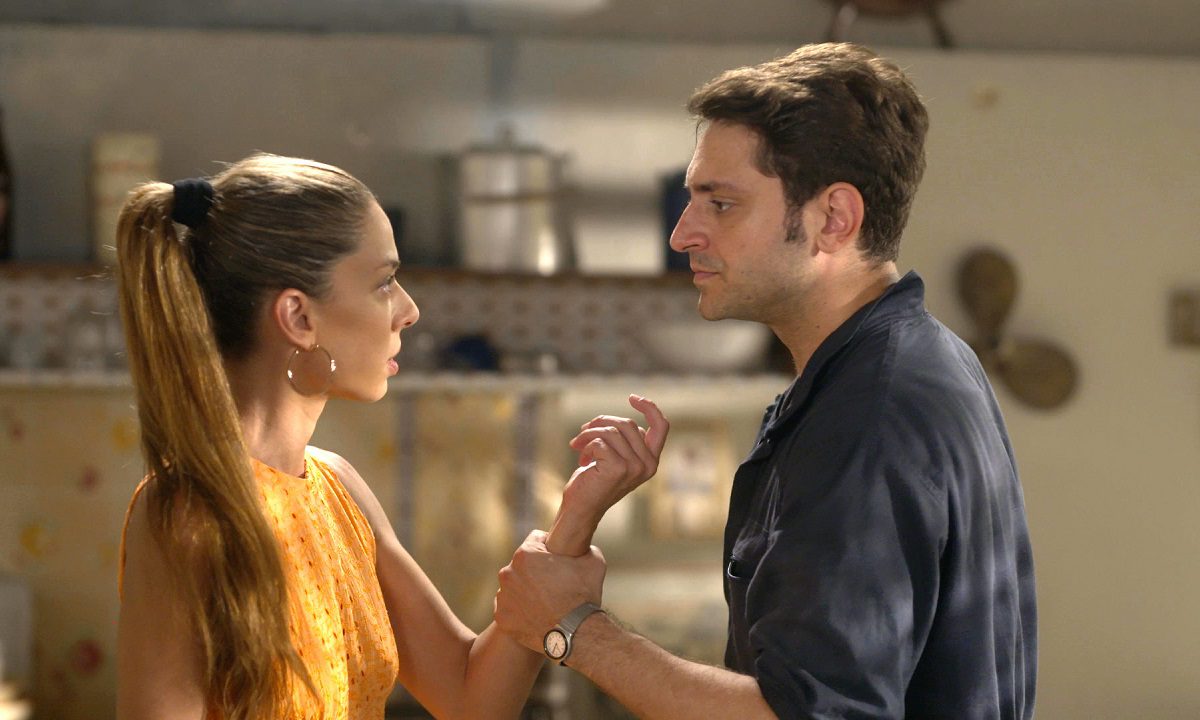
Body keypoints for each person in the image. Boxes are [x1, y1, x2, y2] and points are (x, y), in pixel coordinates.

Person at [494, 42, 1037, 719]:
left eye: (721, 204)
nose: (683, 235)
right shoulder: (914, 363)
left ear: (834, 220)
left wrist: (574, 629)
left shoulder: (868, 414)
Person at [113, 153, 669, 719]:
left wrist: (573, 522)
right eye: (383, 283)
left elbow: (470, 699)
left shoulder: (339, 488)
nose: (409, 310)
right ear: (299, 318)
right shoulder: (187, 515)